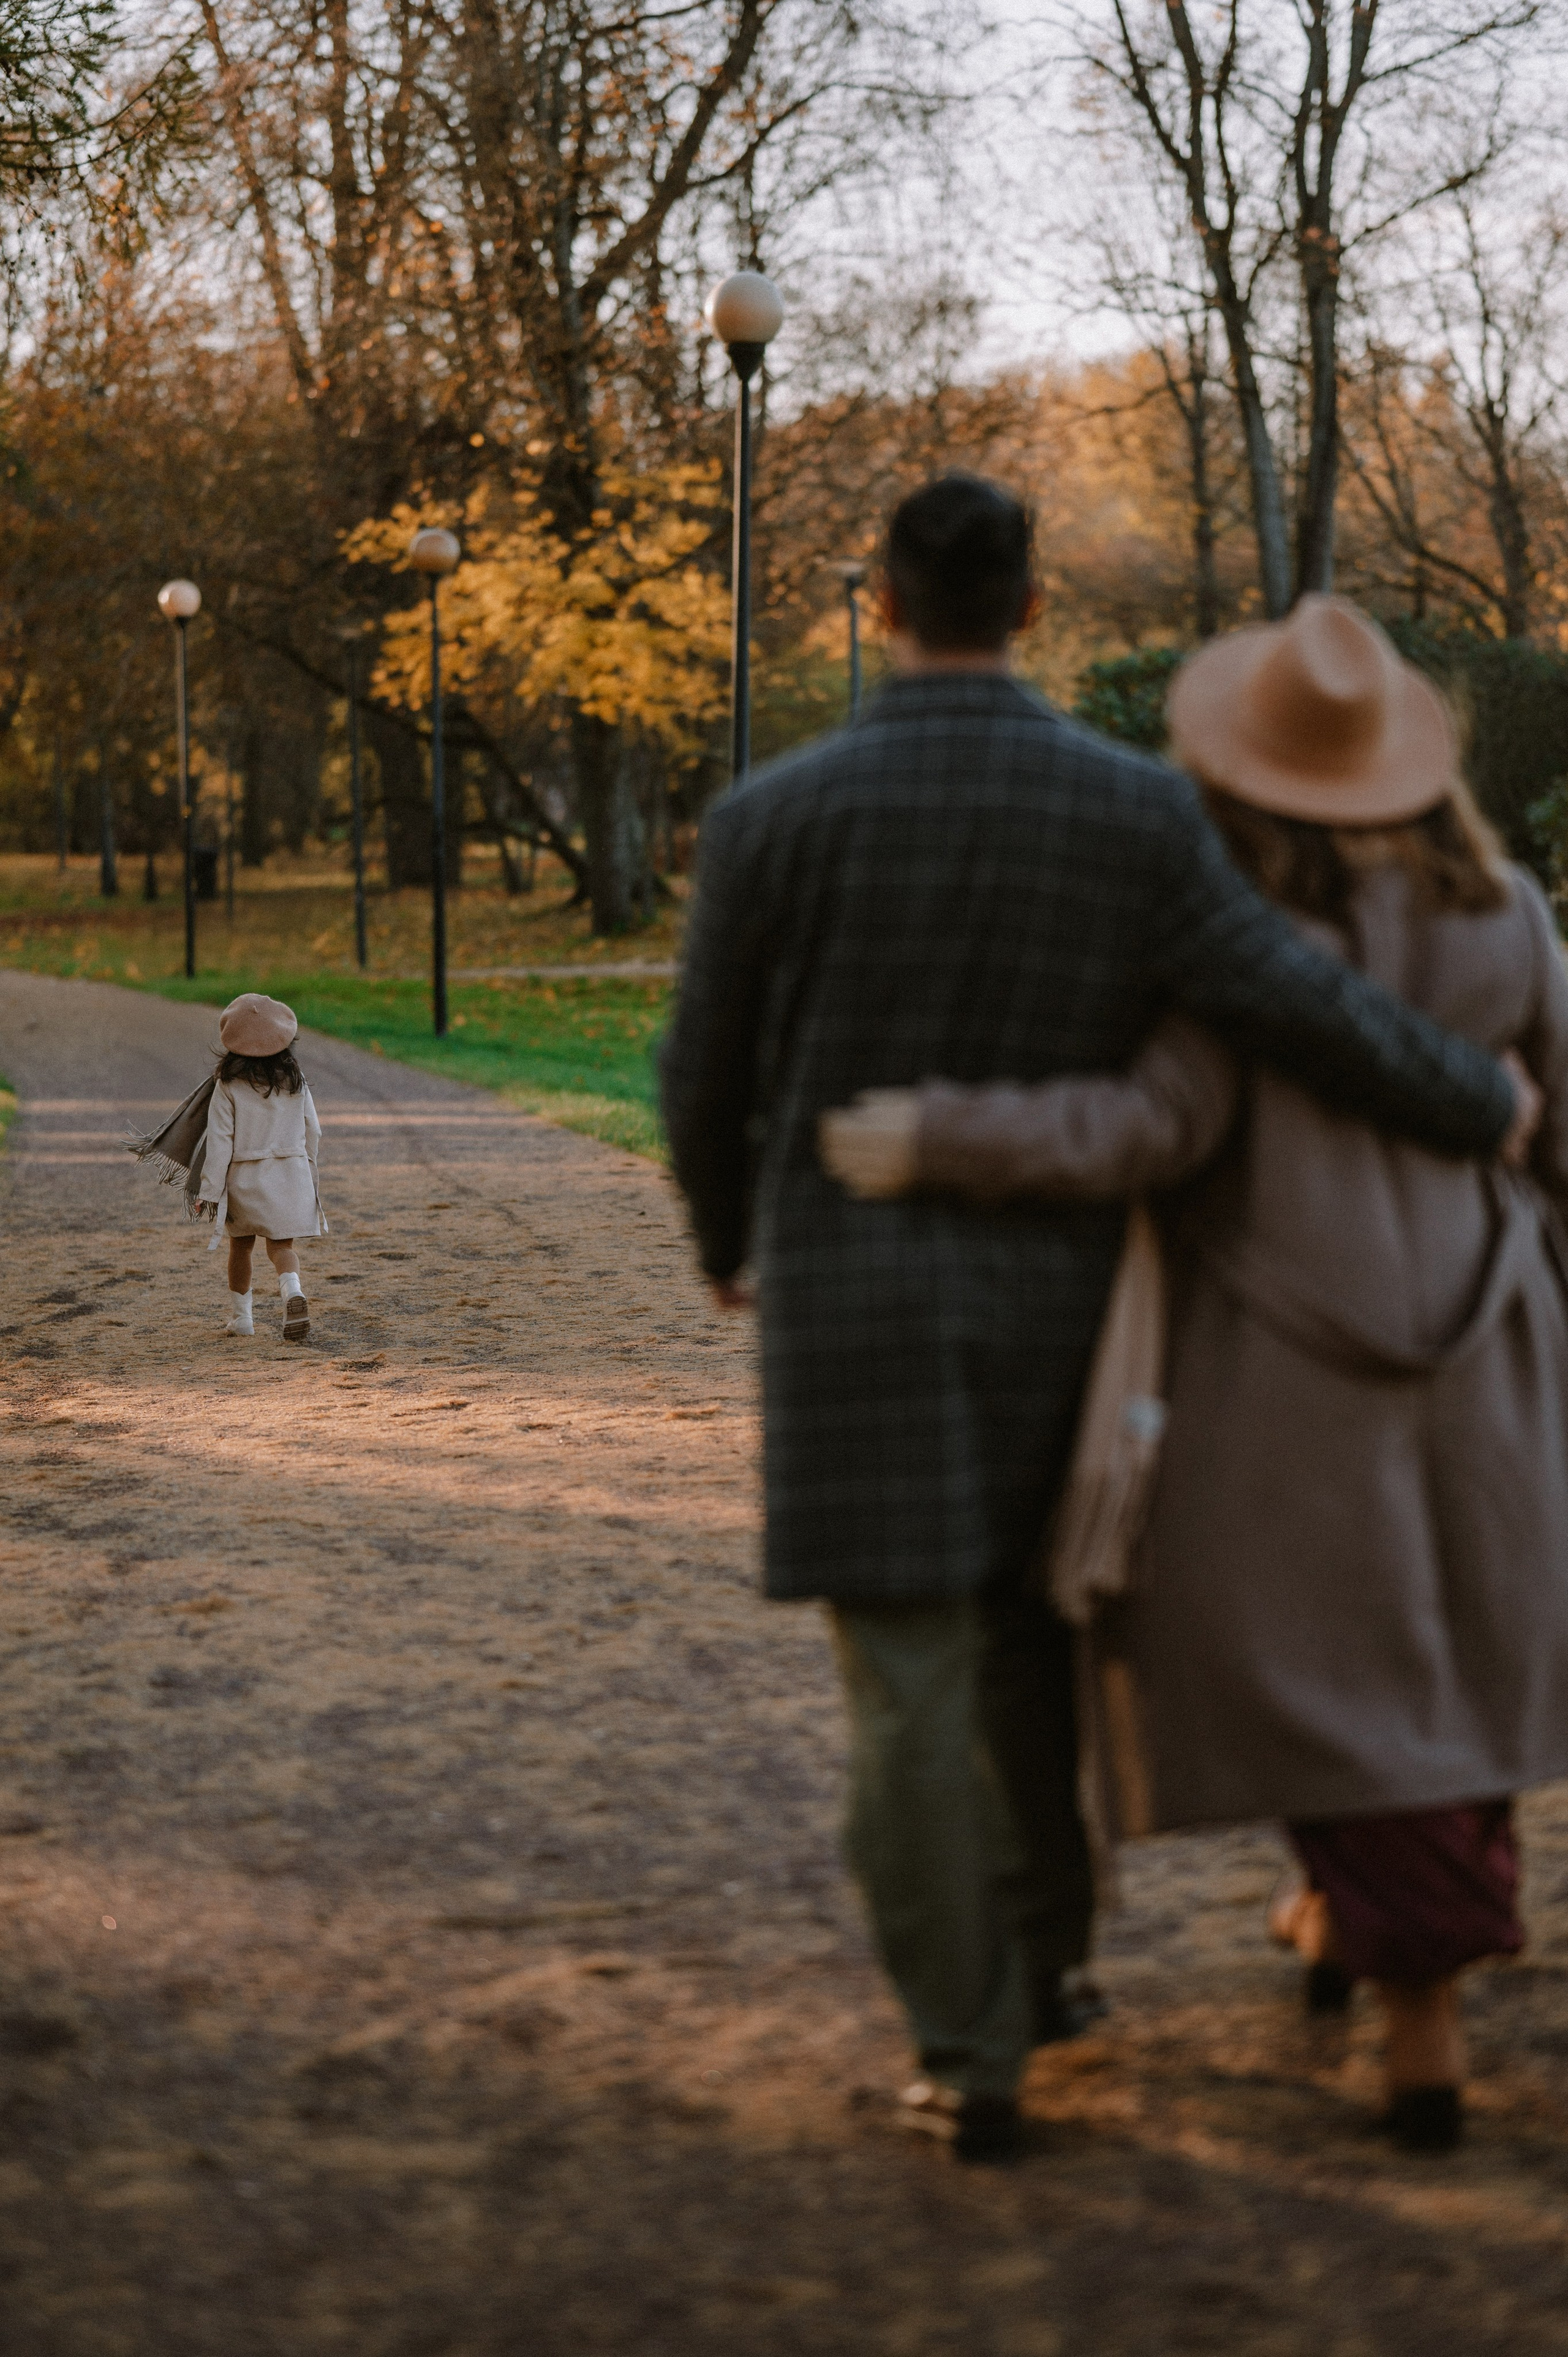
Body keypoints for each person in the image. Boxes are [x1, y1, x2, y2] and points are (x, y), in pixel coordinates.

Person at [658, 477, 1534, 2164]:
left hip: (848, 1290)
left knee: (907, 1673)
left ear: (887, 602)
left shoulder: (774, 814)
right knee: (1036, 1651)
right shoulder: (1135, 811)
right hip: (1064, 1292)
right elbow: (1296, 1004)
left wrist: (721, 1230)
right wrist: (1467, 1096)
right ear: (1035, 604)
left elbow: (703, 1064)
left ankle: (967, 2044)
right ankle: (1054, 1962)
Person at [197, 992, 324, 1342]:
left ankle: (243, 1319)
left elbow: (220, 1143)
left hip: (246, 1180)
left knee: (241, 1247)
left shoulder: (228, 1087)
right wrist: (305, 1164)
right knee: (282, 1248)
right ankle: (292, 1291)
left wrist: (209, 1190)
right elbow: (314, 1129)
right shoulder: (295, 1081)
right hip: (290, 1175)